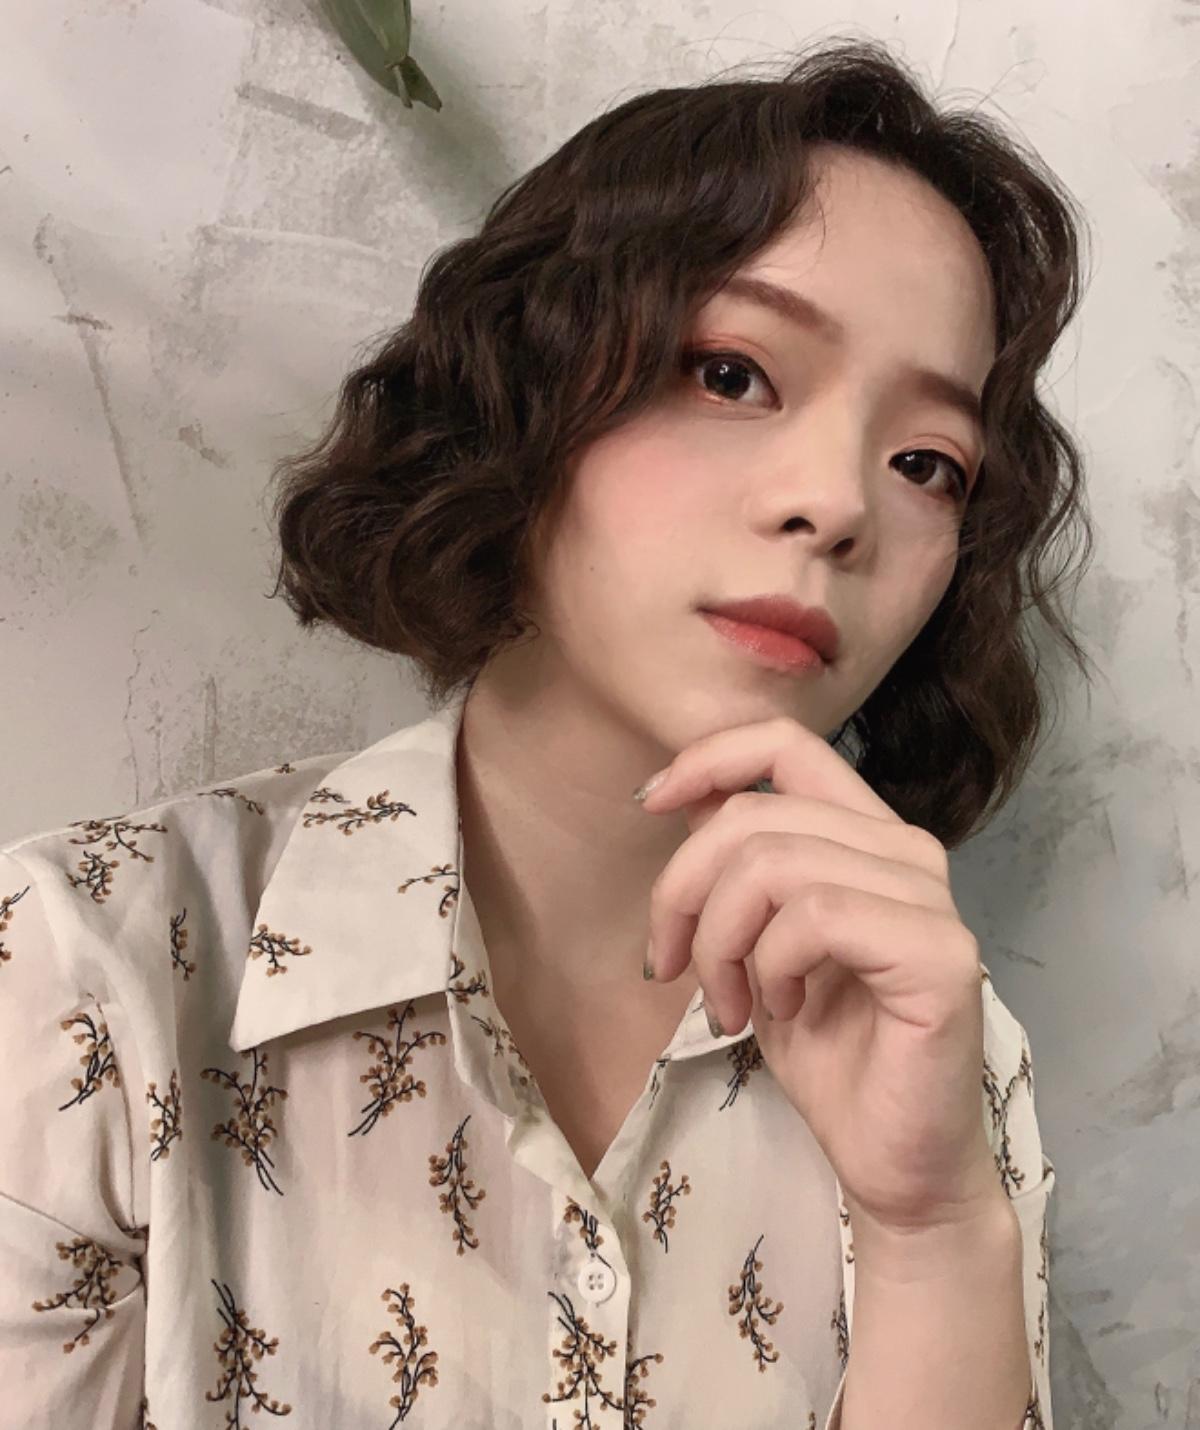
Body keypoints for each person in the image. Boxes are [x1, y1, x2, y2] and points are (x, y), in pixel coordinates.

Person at [0, 34, 1095, 1430]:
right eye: (732, 373)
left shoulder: (944, 1050)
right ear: (529, 386)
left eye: (927, 463)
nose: (837, 504)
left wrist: (932, 1236)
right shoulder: (86, 976)